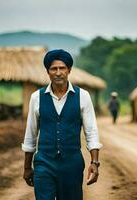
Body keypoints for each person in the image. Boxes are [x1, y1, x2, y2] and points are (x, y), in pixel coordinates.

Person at [22, 49, 102, 200]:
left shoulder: (83, 96)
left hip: (72, 165)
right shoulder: (36, 98)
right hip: (44, 164)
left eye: (62, 68)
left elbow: (91, 132)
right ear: (48, 72)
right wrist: (27, 167)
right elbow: (30, 135)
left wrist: (95, 163)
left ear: (69, 70)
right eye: (54, 69)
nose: (58, 73)